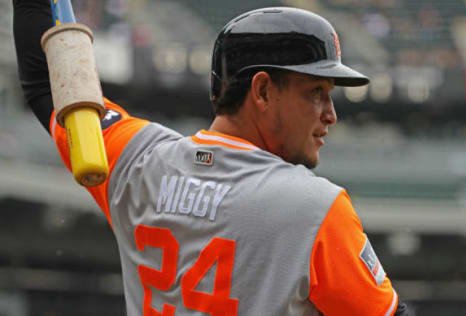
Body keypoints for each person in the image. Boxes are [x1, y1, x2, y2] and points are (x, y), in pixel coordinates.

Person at [13, 1, 409, 315]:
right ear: (263, 91)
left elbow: (47, 84)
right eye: (316, 92)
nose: (330, 114)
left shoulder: (139, 160)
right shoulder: (317, 210)